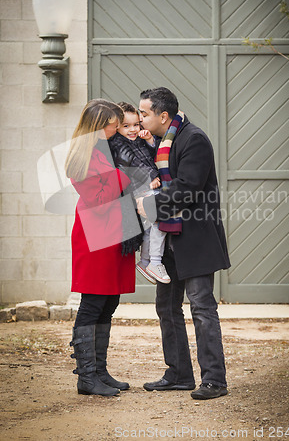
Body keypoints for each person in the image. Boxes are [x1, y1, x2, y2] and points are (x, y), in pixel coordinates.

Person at [136, 87, 231, 400]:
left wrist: (150, 205)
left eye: (144, 113)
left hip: (195, 238)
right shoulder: (158, 143)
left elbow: (188, 187)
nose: (140, 118)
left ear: (163, 116)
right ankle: (178, 374)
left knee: (202, 308)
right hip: (169, 239)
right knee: (166, 307)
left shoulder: (193, 139)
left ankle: (214, 380)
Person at [65, 99, 135, 397]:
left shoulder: (107, 149)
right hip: (95, 236)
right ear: (97, 124)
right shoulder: (84, 157)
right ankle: (86, 377)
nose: (117, 128)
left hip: (114, 233)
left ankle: (100, 371)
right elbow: (100, 197)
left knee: (108, 303)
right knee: (92, 304)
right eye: (112, 123)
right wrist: (126, 172)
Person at [108, 102, 170, 284]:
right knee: (159, 218)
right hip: (140, 189)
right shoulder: (118, 145)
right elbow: (129, 166)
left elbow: (152, 156)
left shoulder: (139, 140)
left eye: (136, 124)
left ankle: (144, 261)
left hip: (150, 187)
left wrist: (150, 139)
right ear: (117, 126)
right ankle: (155, 261)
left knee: (152, 226)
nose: (133, 130)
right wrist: (149, 178)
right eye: (126, 126)